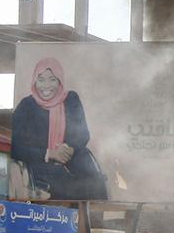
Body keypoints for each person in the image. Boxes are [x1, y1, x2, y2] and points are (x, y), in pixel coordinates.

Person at [11, 57, 108, 200]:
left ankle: (97, 219)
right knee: (60, 181)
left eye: (52, 79)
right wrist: (49, 153)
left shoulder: (71, 99)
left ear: (60, 81)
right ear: (34, 81)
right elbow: (15, 147)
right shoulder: (26, 106)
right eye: (41, 80)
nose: (46, 86)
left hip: (70, 156)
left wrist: (67, 149)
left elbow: (82, 133)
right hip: (39, 163)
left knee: (93, 177)